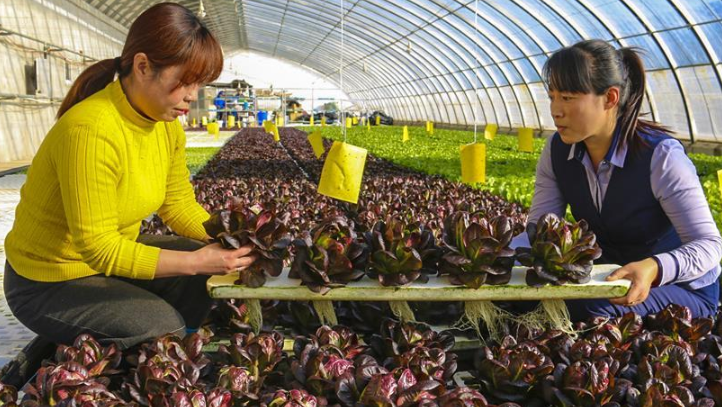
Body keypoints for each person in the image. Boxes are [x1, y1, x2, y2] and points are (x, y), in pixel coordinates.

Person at [3, 3, 257, 350]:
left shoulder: (165, 126)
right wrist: (195, 261)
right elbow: (99, 248)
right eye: (185, 81)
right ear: (142, 66)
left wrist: (233, 238)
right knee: (161, 327)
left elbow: (178, 205)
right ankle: (67, 344)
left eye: (199, 84)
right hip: (48, 280)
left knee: (204, 273)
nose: (192, 96)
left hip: (105, 266)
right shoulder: (90, 130)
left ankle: (163, 345)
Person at [523, 39, 721, 322]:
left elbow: (709, 245)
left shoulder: (660, 156)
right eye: (552, 96)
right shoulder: (557, 151)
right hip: (610, 279)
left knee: (589, 310)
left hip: (680, 288)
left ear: (610, 98)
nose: (556, 110)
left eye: (567, 98)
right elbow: (541, 229)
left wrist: (654, 267)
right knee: (521, 297)